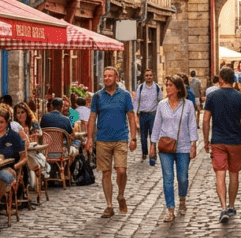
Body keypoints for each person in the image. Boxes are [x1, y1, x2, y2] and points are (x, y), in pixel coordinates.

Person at [202, 66, 241, 224]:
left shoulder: (212, 97)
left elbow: (205, 120)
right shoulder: (240, 97)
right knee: (234, 174)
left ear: (221, 80)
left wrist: (205, 140)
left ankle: (223, 208)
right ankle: (231, 205)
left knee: (220, 175)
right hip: (235, 141)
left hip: (218, 141)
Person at [85, 67, 138, 218]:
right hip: (102, 139)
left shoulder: (125, 95)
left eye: (110, 76)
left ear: (116, 78)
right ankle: (109, 205)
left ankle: (120, 195)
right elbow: (92, 118)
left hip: (121, 137)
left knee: (121, 170)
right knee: (106, 173)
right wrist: (89, 138)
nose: (107, 78)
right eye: (105, 75)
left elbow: (131, 116)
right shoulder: (97, 96)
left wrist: (133, 138)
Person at [149, 75, 198, 222]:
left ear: (178, 88)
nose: (167, 87)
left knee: (183, 178)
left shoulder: (188, 105)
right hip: (165, 147)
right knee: (168, 178)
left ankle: (182, 198)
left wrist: (194, 144)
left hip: (183, 146)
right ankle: (170, 209)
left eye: (170, 85)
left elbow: (192, 125)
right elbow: (156, 126)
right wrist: (152, 145)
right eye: (166, 85)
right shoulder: (162, 105)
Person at [15, 103, 48, 187]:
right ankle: (24, 184)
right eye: (18, 113)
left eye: (22, 112)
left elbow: (39, 133)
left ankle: (27, 182)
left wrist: (34, 135)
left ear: (27, 113)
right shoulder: (14, 126)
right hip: (19, 151)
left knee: (27, 158)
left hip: (33, 150)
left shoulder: (32, 123)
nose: (20, 115)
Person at [134, 69, 162, 162]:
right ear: (144, 77)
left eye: (150, 75)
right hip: (143, 114)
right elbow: (137, 101)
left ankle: (153, 153)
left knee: (153, 135)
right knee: (143, 136)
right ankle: (144, 153)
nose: (148, 77)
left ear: (152, 76)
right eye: (147, 75)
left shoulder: (157, 87)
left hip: (153, 115)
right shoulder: (140, 87)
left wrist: (160, 115)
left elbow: (160, 101)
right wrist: (135, 114)